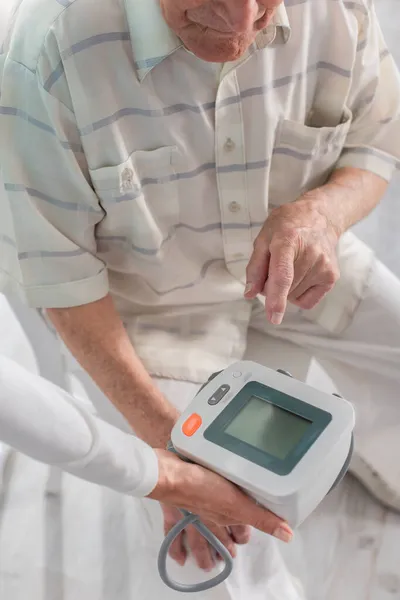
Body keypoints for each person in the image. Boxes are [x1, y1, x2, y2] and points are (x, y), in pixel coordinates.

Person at [1, 0, 400, 597]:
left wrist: (321, 213)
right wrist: (173, 457)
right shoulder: (47, 52)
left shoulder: (340, 9)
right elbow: (66, 284)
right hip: (147, 311)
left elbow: (376, 143)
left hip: (294, 268)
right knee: (222, 537)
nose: (241, 25)